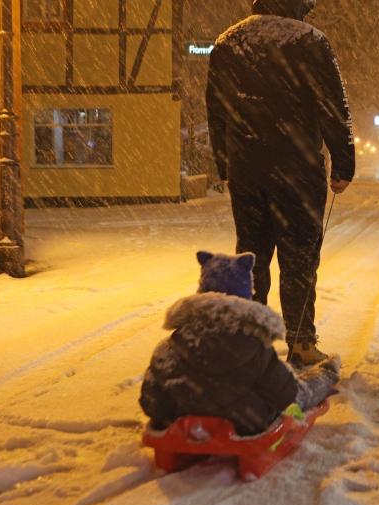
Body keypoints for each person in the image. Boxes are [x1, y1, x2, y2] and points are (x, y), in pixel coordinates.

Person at [206, 0, 355, 367]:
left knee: (251, 256)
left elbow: (216, 109)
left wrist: (225, 163)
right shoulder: (310, 41)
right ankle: (301, 342)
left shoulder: (228, 43)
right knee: (299, 258)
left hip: (247, 170)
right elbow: (334, 106)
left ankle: (252, 339)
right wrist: (343, 162)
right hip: (297, 170)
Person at [139, 252, 340, 436]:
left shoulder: (169, 346)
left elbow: (150, 400)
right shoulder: (254, 345)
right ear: (246, 295)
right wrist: (323, 379)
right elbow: (288, 394)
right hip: (245, 422)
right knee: (291, 391)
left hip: (179, 418)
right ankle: (327, 372)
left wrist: (174, 411)